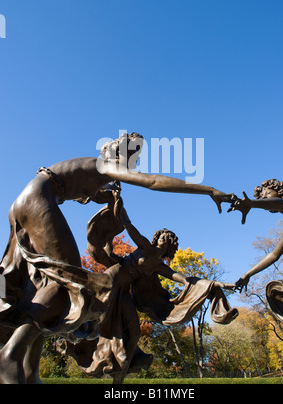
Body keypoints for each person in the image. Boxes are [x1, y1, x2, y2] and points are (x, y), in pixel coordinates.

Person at [0, 132, 233, 384]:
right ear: (117, 151)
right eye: (131, 154)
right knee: (71, 284)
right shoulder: (103, 165)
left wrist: (110, 196)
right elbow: (153, 182)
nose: (133, 162)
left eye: (136, 157)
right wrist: (209, 190)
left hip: (25, 201)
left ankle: (29, 369)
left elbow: (84, 193)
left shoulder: (94, 170)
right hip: (38, 200)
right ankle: (10, 356)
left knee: (47, 287)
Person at [59, 196, 238, 384]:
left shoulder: (159, 266)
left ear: (170, 246)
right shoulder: (144, 245)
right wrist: (118, 203)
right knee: (99, 322)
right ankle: (71, 338)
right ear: (156, 238)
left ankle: (120, 371)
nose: (162, 241)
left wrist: (215, 284)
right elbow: (129, 226)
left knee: (134, 330)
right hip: (111, 280)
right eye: (161, 237)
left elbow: (184, 279)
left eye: (167, 241)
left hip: (123, 291)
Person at [231, 179, 283, 328]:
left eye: (268, 193)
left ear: (281, 192)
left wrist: (253, 204)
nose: (265, 198)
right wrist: (247, 275)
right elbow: (274, 255)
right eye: (263, 198)